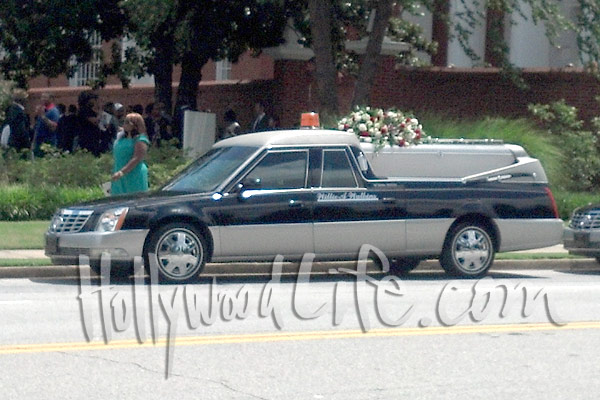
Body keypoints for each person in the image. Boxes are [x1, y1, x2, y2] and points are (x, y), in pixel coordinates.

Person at [111, 112, 150, 195]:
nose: (124, 124)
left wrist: (122, 172)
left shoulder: (140, 139)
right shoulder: (121, 138)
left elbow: (137, 158)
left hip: (134, 174)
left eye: (127, 122)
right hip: (118, 170)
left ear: (134, 125)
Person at [76, 91, 102, 155]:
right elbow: (95, 121)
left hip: (94, 139)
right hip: (87, 139)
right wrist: (100, 113)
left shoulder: (90, 110)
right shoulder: (84, 110)